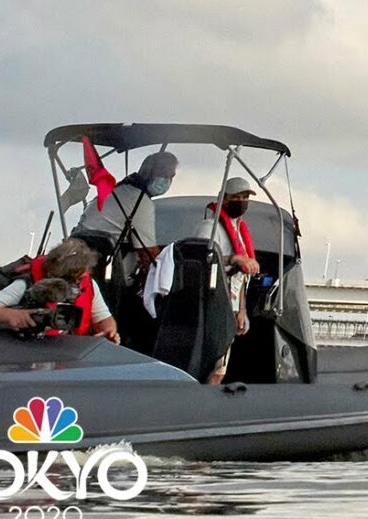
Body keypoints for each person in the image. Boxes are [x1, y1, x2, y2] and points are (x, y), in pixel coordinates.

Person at [0, 238, 119, 343]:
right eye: (68, 279)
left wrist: (108, 332)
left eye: (79, 279)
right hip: (27, 349)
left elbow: (103, 318)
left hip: (68, 353)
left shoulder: (89, 285)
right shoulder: (26, 284)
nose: (73, 286)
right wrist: (12, 315)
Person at [194, 177, 260, 384]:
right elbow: (200, 260)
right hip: (212, 305)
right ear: (224, 198)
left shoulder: (238, 230)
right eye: (236, 197)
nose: (241, 201)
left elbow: (238, 277)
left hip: (230, 306)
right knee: (211, 364)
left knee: (221, 366)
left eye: (245, 197)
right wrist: (233, 258)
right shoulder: (210, 227)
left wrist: (242, 310)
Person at [73, 151, 179, 270]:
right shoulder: (140, 201)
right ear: (150, 173)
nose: (167, 181)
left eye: (170, 177)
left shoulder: (115, 190)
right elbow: (148, 255)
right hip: (107, 270)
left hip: (77, 258)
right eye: (165, 175)